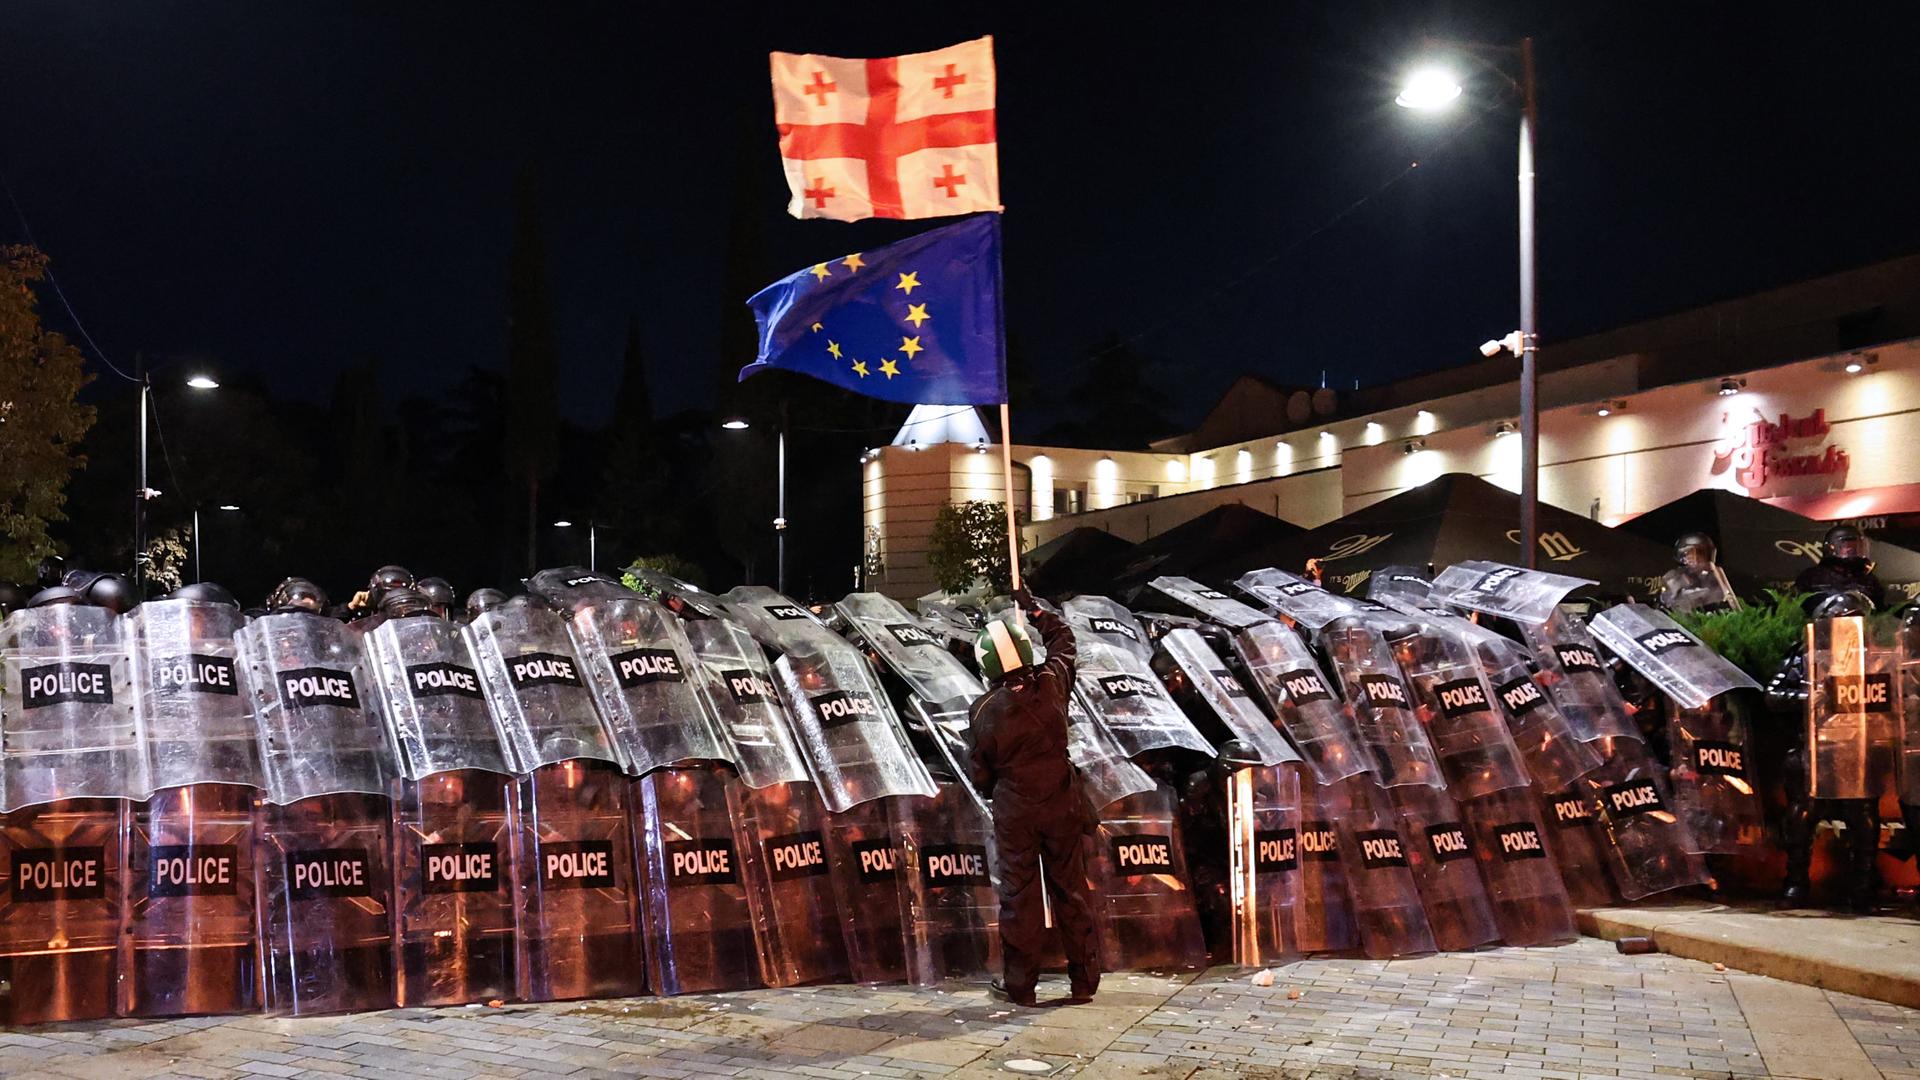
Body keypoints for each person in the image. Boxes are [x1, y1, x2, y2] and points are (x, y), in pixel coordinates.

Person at [967, 588, 1100, 1008]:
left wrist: (999, 791)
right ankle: (1083, 982)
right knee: (1071, 890)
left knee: (1019, 897)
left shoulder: (985, 708)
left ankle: (1021, 986)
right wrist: (1035, 608)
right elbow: (1064, 641)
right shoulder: (1052, 681)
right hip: (1062, 800)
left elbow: (980, 772)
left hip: (1016, 810)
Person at [1795, 524, 1886, 610]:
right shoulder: (1812, 577)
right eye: (1845, 546)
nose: (1851, 550)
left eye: (1855, 546)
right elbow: (1796, 609)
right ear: (1831, 547)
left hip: (1860, 624)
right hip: (1822, 624)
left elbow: (1880, 610)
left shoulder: (1868, 579)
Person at [1659, 532, 1739, 614]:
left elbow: (1732, 604)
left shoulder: (1715, 574)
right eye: (1688, 554)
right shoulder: (1675, 575)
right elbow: (1665, 599)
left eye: (1699, 553)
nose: (1693, 559)